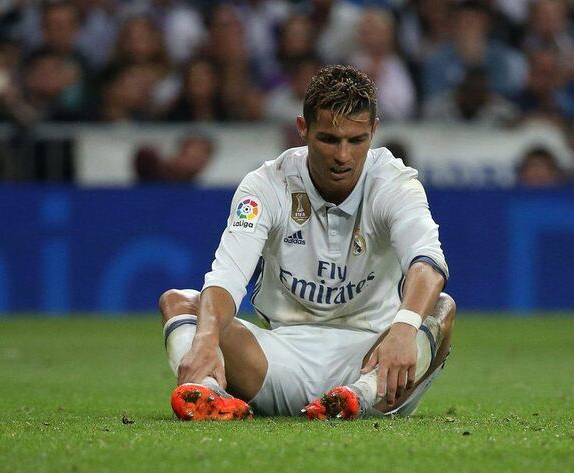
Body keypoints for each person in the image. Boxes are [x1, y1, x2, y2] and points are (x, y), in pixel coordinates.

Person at [159, 65, 454, 421]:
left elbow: (427, 262)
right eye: (329, 139)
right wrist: (206, 339)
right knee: (181, 303)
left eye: (356, 140)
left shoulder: (394, 183)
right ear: (303, 129)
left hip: (374, 361)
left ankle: (354, 399)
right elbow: (228, 276)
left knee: (439, 308)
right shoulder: (266, 185)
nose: (343, 156)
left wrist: (405, 327)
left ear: (374, 131)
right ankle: (207, 392)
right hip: (276, 361)